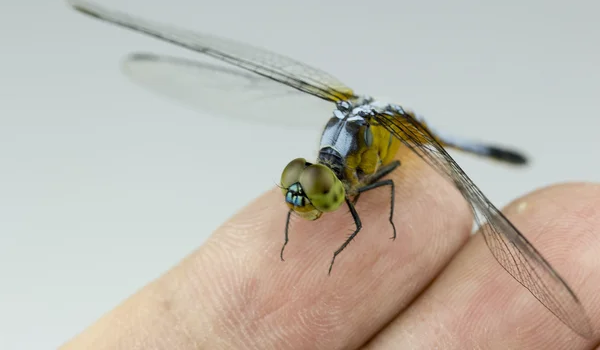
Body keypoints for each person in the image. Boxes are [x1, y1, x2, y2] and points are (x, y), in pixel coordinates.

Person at [60, 155, 600, 349]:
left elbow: (370, 204)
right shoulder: (314, 177)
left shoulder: (362, 183)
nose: (297, 196)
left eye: (310, 189)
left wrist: (352, 245)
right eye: (299, 184)